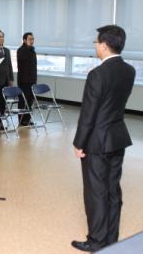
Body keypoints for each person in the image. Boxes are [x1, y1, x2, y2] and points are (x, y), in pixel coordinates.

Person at [71, 25, 135, 252]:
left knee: (96, 192)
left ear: (105, 46)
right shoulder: (129, 70)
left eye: (97, 43)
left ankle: (97, 241)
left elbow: (89, 113)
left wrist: (79, 142)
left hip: (97, 142)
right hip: (117, 138)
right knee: (112, 189)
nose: (96, 46)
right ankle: (111, 237)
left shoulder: (97, 74)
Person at [17, 32, 37, 126]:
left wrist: (35, 80)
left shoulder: (32, 50)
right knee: (23, 100)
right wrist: (29, 48)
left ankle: (28, 119)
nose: (32, 41)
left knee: (30, 101)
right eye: (30, 39)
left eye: (33, 39)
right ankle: (21, 120)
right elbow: (23, 60)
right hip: (23, 80)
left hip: (32, 80)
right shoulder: (21, 50)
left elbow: (34, 67)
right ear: (24, 40)